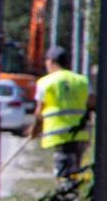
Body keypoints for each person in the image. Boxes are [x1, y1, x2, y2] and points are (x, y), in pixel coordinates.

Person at [32, 47, 91, 182]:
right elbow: (91, 102)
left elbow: (39, 112)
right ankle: (74, 188)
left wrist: (34, 130)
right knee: (75, 167)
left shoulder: (45, 82)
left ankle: (66, 189)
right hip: (80, 133)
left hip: (59, 134)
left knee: (63, 170)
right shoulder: (81, 80)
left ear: (51, 61)